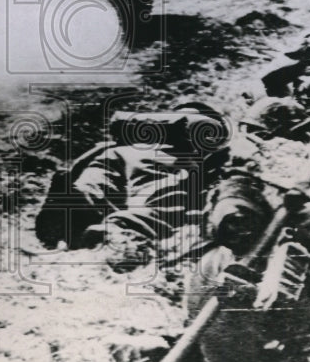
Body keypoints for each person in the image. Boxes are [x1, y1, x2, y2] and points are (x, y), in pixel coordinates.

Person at [34, 102, 231, 269]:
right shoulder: (186, 148)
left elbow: (80, 167)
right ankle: (121, 231)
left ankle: (71, 211)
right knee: (161, 202)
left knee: (95, 189)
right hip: (164, 161)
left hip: (103, 160)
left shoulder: (116, 145)